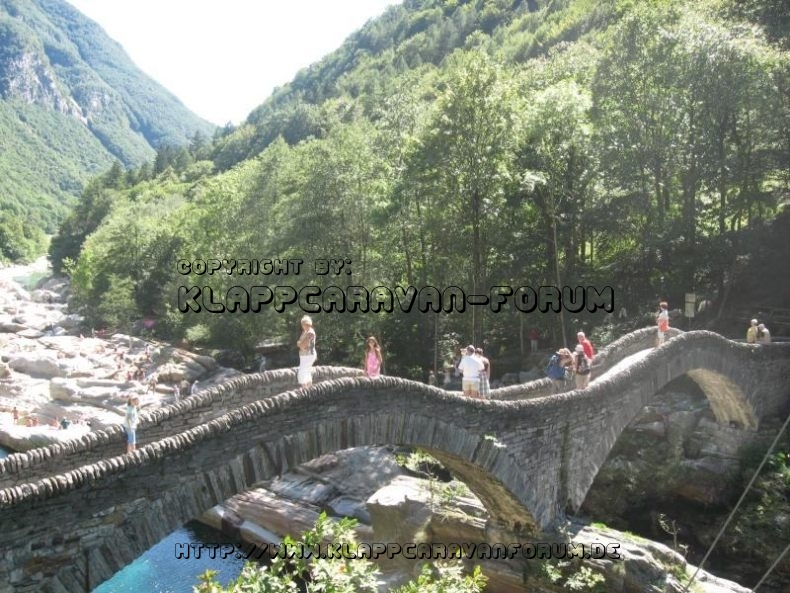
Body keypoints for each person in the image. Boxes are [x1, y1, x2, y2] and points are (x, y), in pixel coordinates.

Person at [296, 315, 317, 388]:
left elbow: (303, 345)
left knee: (302, 372)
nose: (303, 326)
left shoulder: (310, 333)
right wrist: (299, 344)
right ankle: (309, 389)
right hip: (306, 355)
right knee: (307, 371)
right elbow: (299, 343)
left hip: (308, 355)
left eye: (304, 324)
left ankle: (304, 389)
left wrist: (299, 344)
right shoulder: (305, 332)